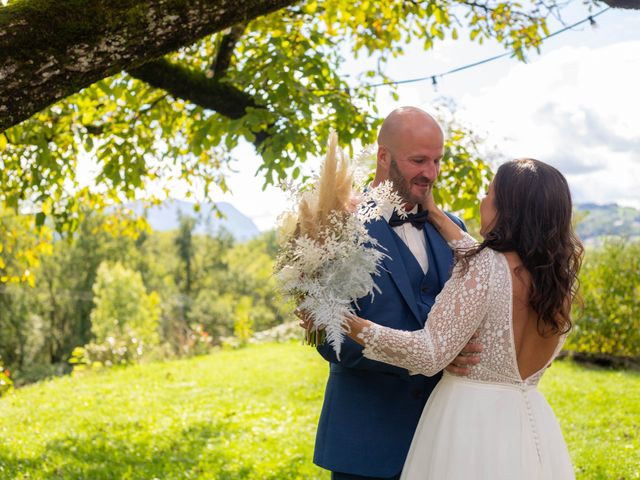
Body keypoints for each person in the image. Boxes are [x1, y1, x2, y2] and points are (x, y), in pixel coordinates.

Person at [344, 158, 583, 479]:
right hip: (529, 426)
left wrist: (343, 320)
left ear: (507, 208)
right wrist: (438, 214)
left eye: (488, 193)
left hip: (470, 424)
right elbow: (489, 269)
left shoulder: (485, 266)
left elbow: (428, 354)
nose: (481, 201)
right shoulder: (557, 284)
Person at [310, 107, 480, 480]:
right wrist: (422, 357)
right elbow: (326, 336)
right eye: (418, 160)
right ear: (383, 156)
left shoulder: (453, 228)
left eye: (437, 160)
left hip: (442, 440)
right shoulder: (335, 226)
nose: (431, 173)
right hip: (365, 445)